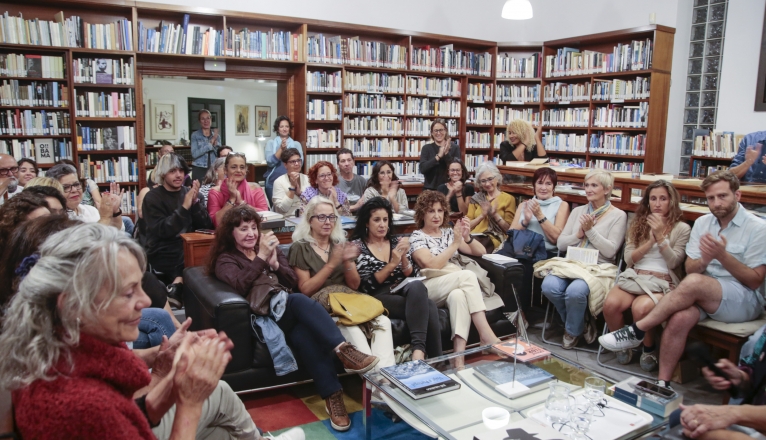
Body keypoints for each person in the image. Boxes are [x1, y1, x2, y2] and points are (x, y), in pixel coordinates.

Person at [0, 223, 295, 440]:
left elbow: (131, 413)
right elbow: (109, 415)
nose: (144, 301)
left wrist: (171, 376)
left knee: (221, 431)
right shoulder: (82, 406)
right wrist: (189, 402)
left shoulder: (54, 349)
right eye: (128, 293)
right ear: (72, 306)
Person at [209, 205, 378, 432]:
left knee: (304, 336)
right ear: (231, 233)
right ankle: (343, 349)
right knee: (298, 301)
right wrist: (260, 258)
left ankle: (333, 396)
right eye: (242, 229)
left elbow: (291, 283)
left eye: (253, 228)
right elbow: (239, 284)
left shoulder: (270, 250)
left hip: (286, 310)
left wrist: (276, 265)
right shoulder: (226, 259)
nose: (250, 234)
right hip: (263, 316)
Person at [600, 171, 766, 389]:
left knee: (694, 282)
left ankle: (637, 330)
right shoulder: (704, 222)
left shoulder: (758, 227)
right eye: (710, 198)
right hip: (702, 295)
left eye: (722, 196)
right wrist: (705, 259)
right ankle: (663, 383)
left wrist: (721, 256)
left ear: (738, 195)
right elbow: (690, 267)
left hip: (741, 299)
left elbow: (755, 281)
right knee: (679, 318)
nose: (716, 203)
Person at [287, 197, 396, 372]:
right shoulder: (300, 248)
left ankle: (386, 382)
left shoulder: (340, 244)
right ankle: (379, 388)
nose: (327, 222)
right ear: (310, 221)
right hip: (324, 308)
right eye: (321, 217)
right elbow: (305, 290)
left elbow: (354, 285)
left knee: (383, 321)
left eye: (331, 217)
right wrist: (331, 264)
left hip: (349, 300)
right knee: (352, 329)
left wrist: (347, 262)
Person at [602, 180, 691, 371]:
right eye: (653, 199)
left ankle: (648, 349)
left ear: (671, 202)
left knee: (640, 308)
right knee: (610, 304)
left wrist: (661, 238)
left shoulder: (682, 228)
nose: (657, 204)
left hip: (663, 281)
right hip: (636, 276)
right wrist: (650, 242)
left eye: (663, 199)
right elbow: (628, 259)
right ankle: (623, 344)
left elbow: (674, 262)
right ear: (647, 202)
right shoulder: (637, 223)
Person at [542, 169, 627, 349]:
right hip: (572, 263)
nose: (588, 189)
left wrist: (590, 231)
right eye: (586, 185)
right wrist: (579, 234)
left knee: (575, 292)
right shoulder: (578, 211)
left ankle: (572, 332)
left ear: (607, 189)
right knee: (549, 286)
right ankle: (581, 323)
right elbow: (561, 244)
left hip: (598, 267)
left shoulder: (618, 215)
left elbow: (611, 251)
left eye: (594, 185)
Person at [409, 191, 502, 353]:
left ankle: (458, 359)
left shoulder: (448, 232)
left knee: (458, 296)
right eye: (431, 211)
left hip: (452, 283)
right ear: (422, 213)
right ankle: (486, 335)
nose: (436, 215)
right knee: (467, 275)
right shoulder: (417, 236)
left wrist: (467, 238)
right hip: (428, 287)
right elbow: (431, 264)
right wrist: (454, 244)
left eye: (440, 210)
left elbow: (481, 252)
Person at [350, 197, 443, 360]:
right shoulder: (358, 247)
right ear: (366, 222)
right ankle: (435, 359)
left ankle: (419, 352)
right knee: (428, 306)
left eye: (385, 220)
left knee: (418, 287)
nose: (382, 225)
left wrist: (404, 258)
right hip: (377, 296)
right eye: (377, 220)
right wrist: (392, 263)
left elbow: (412, 276)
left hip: (403, 290)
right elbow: (366, 286)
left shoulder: (394, 241)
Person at [143, 153, 212, 307]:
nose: (178, 175)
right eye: (172, 171)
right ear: (163, 173)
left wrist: (194, 204)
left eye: (181, 171)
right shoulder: (152, 197)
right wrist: (184, 207)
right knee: (188, 251)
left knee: (204, 249)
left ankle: (178, 284)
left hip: (186, 245)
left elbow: (206, 226)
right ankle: (178, 286)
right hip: (162, 249)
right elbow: (163, 230)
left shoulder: (190, 194)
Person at [509, 167, 569, 257]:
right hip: (519, 251)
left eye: (548, 184)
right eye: (540, 183)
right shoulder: (524, 205)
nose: (543, 188)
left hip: (545, 253)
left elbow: (556, 239)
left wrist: (539, 215)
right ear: (534, 185)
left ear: (554, 187)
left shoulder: (562, 205)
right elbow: (510, 234)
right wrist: (525, 222)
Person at [45, 163, 124, 231]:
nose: (74, 190)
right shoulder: (56, 217)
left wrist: (114, 212)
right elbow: (86, 243)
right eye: (66, 187)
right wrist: (104, 218)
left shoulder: (91, 210)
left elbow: (114, 231)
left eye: (76, 184)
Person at [208, 152, 269, 226]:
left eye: (242, 167)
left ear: (246, 171)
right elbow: (217, 222)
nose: (239, 170)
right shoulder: (215, 192)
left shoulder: (255, 189)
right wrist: (232, 199)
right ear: (225, 170)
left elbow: (266, 216)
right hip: (226, 235)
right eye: (234, 167)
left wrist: (241, 203)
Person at [467, 162, 516, 251]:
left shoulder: (509, 199)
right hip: (474, 235)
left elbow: (510, 231)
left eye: (490, 179)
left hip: (494, 238)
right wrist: (482, 216)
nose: (487, 184)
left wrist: (495, 215)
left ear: (497, 178)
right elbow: (467, 225)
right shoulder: (476, 198)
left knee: (472, 246)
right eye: (483, 181)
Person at [264, 116, 302, 201]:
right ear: (277, 129)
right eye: (281, 126)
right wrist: (281, 149)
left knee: (292, 206)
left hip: (292, 181)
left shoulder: (296, 144)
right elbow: (270, 162)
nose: (284, 129)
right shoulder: (271, 143)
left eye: (287, 126)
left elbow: (300, 164)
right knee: (277, 209)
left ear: (289, 128)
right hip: (273, 182)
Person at [419, 118, 461, 190]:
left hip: (449, 188)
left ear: (445, 131)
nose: (438, 133)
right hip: (430, 189)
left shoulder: (455, 148)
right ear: (432, 133)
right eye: (436, 131)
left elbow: (456, 169)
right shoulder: (426, 148)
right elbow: (423, 169)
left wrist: (446, 153)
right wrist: (438, 157)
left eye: (441, 130)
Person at [272, 148, 309, 215]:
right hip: (287, 220)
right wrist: (292, 187)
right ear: (285, 165)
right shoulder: (279, 182)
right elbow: (282, 209)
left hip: (306, 219)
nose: (297, 164)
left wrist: (300, 194)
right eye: (293, 162)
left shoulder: (307, 179)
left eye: (298, 160)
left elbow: (313, 203)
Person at [191, 109, 221, 183]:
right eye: (203, 118)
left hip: (213, 168)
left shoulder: (217, 136)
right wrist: (210, 144)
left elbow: (219, 154)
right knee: (199, 192)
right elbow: (194, 154)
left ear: (211, 119)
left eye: (208, 118)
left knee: (213, 191)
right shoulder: (195, 135)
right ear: (199, 121)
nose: (206, 121)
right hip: (199, 168)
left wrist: (215, 145)